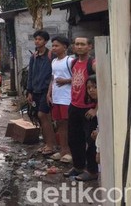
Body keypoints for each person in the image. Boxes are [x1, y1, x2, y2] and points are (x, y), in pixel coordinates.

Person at [64, 37, 98, 182]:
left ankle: (91, 171)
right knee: (73, 139)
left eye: (83, 44)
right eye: (77, 44)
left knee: (90, 141)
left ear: (89, 46)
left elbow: (103, 84)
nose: (79, 47)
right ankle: (78, 166)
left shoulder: (93, 63)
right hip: (74, 106)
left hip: (88, 109)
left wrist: (96, 108)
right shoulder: (73, 63)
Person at [26, 30, 56, 156]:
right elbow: (30, 75)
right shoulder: (34, 56)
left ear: (45, 41)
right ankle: (46, 144)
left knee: (43, 115)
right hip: (35, 91)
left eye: (40, 39)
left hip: (46, 90)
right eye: (36, 39)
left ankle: (50, 145)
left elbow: (54, 74)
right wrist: (29, 91)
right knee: (40, 117)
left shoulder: (51, 56)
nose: (37, 41)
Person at [47, 36, 73, 163]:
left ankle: (69, 151)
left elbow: (79, 78)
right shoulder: (54, 62)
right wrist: (49, 93)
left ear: (65, 47)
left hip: (67, 98)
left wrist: (66, 81)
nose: (54, 48)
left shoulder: (70, 61)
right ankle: (63, 150)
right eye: (53, 46)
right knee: (60, 125)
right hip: (56, 98)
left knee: (68, 125)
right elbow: (53, 79)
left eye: (57, 46)